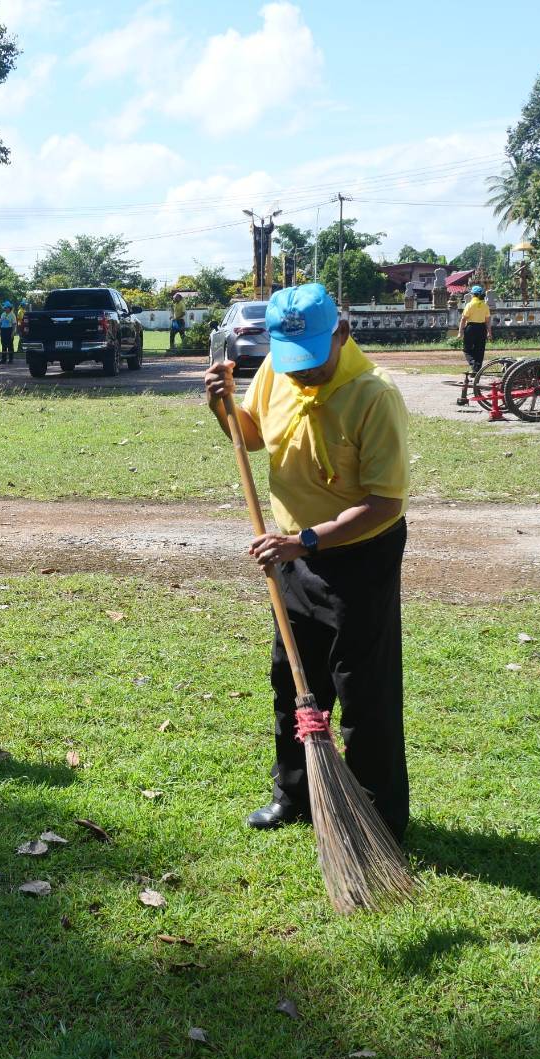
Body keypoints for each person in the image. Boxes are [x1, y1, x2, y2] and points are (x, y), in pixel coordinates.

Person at [202, 283, 411, 842]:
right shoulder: (279, 368)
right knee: (292, 678)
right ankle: (294, 793)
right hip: (291, 553)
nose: (302, 374)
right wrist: (223, 408)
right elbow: (249, 437)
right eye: (293, 362)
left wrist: (308, 541)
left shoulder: (374, 396)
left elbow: (385, 503)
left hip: (358, 555)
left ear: (341, 333)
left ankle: (378, 814)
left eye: (312, 362)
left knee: (363, 690)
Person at [457, 285, 492, 373]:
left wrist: (460, 332)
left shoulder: (469, 305)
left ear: (473, 295)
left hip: (471, 328)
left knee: (467, 350)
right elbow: (487, 321)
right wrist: (489, 333)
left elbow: (463, 319)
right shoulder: (485, 306)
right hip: (481, 329)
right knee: (480, 350)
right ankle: (477, 370)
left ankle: (474, 365)